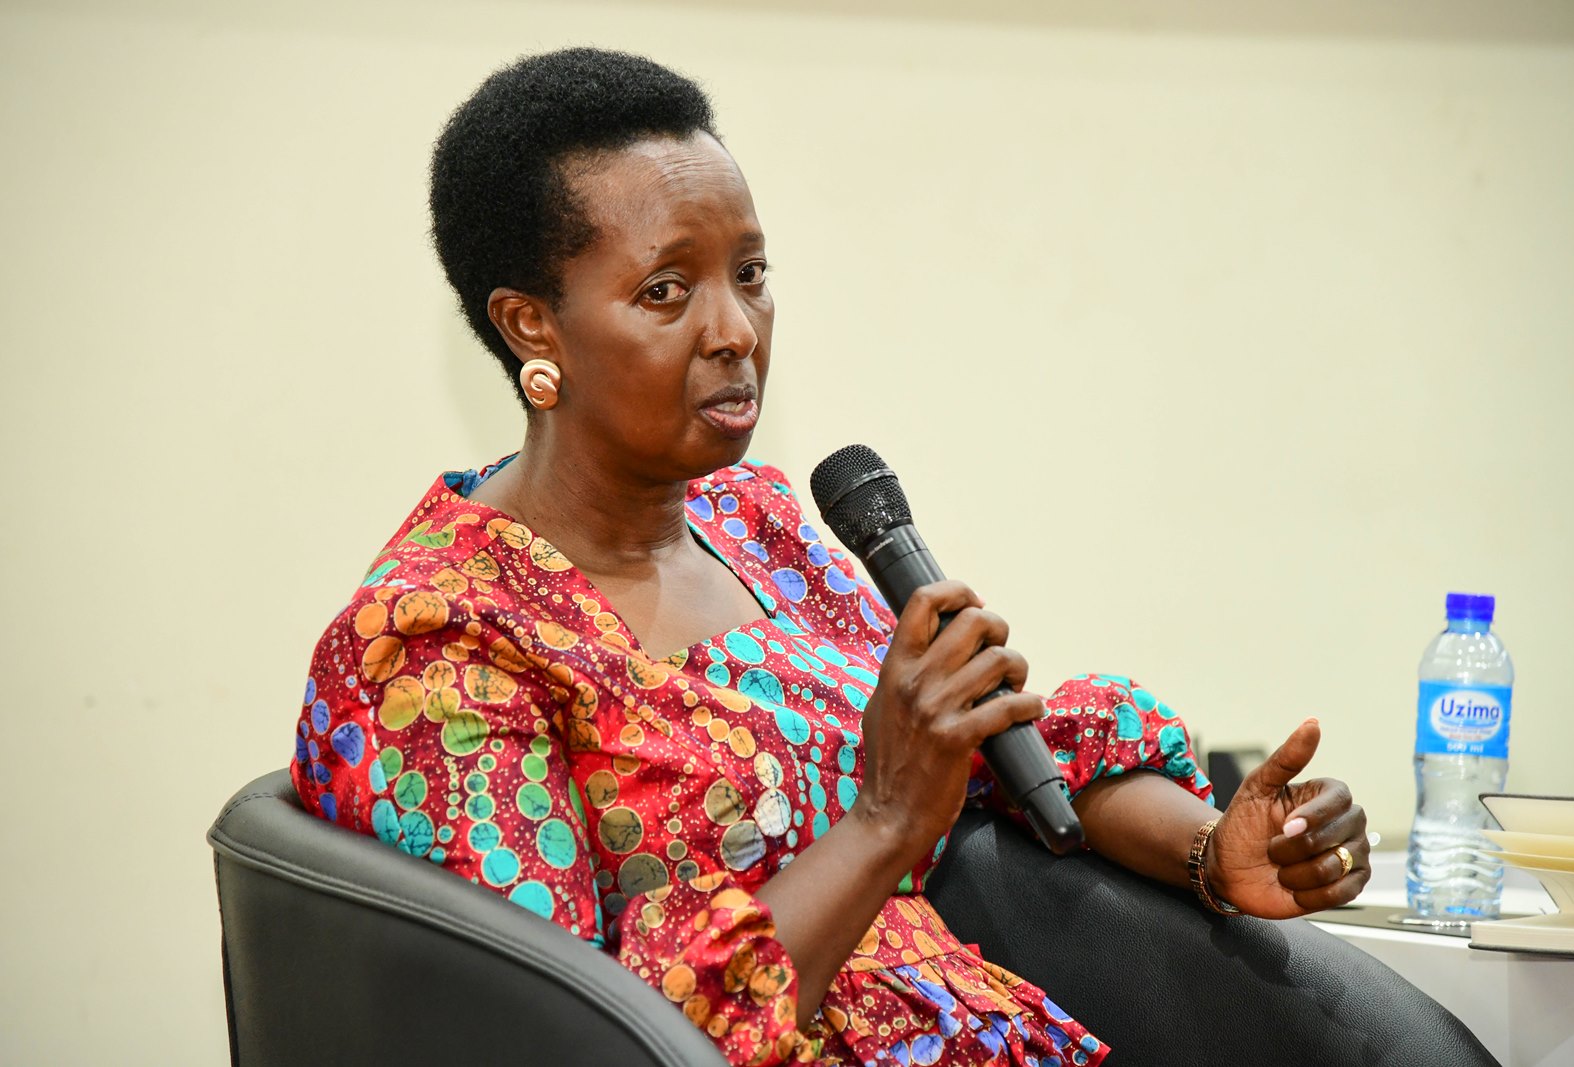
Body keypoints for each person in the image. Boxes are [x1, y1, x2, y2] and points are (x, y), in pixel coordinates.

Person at [291, 48, 1371, 1066]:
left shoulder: (753, 520)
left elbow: (989, 773)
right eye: (666, 290)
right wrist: (883, 819)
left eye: (750, 273)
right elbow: (572, 1032)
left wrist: (1210, 850)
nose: (736, 330)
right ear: (533, 326)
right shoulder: (440, 646)